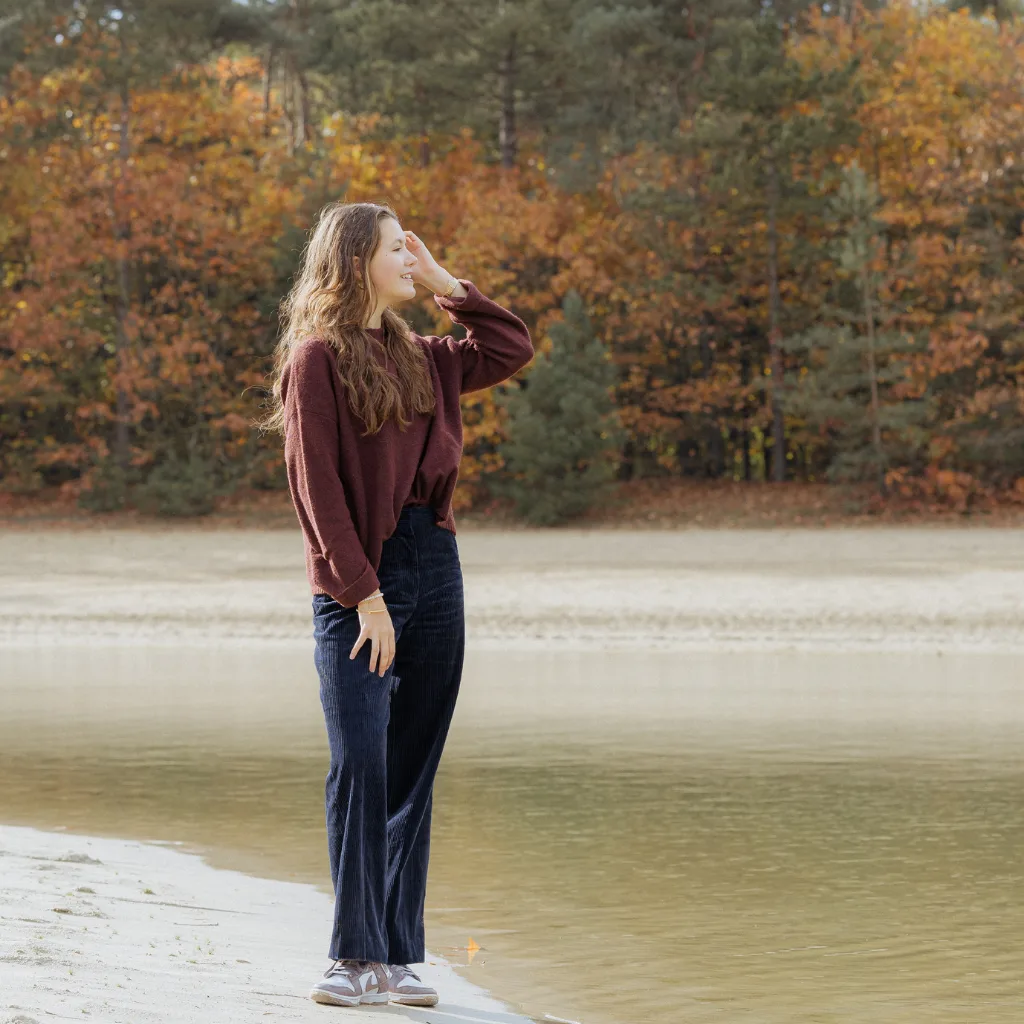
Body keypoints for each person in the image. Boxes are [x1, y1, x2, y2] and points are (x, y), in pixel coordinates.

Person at [261, 201, 533, 1007]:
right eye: (395, 250)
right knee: (362, 764)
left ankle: (400, 955)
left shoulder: (426, 356)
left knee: (413, 768)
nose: (409, 260)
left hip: (435, 570)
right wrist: (364, 597)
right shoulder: (315, 360)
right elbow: (317, 491)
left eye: (411, 251)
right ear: (355, 263)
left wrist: (449, 283)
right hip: (359, 581)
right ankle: (353, 957)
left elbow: (509, 345)